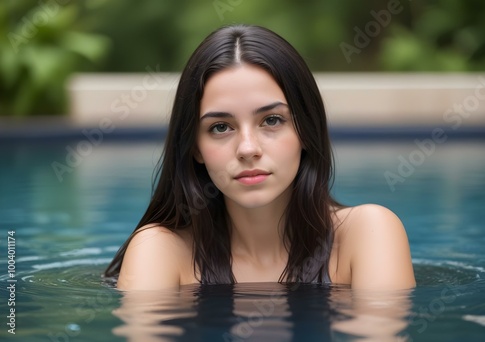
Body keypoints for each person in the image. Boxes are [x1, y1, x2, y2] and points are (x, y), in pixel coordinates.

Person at [104, 24, 415, 291]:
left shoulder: (367, 234)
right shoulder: (159, 250)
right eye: (221, 127)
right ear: (194, 147)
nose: (247, 148)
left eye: (271, 120)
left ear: (306, 130)